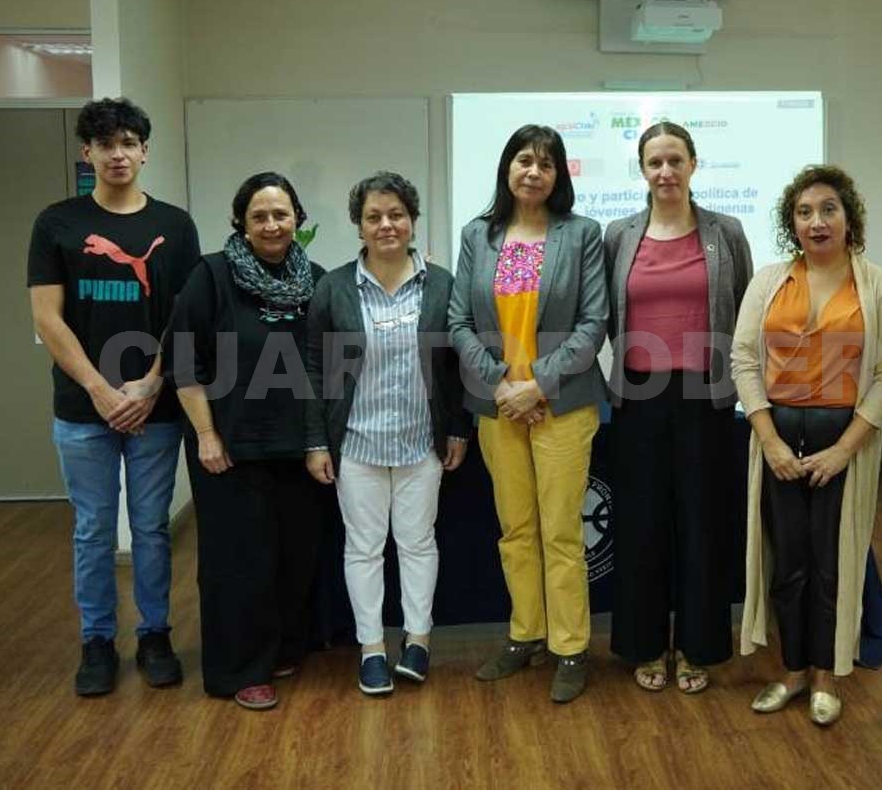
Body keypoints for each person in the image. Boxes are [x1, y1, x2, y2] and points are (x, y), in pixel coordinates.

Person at [28, 97, 201, 697]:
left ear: (144, 151)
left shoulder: (175, 225)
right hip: (84, 410)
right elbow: (48, 318)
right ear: (88, 152)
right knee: (93, 530)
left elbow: (183, 316)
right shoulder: (57, 223)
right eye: (106, 144)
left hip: (155, 408)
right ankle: (97, 641)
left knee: (151, 529)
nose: (118, 154)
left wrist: (152, 382)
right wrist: (101, 390)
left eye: (129, 143)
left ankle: (155, 635)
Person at [731, 164, 882, 725]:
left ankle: (827, 676)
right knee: (788, 563)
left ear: (849, 218)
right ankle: (792, 671)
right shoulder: (768, 282)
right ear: (792, 224)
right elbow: (743, 360)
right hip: (778, 439)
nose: (816, 221)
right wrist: (770, 441)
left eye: (828, 209)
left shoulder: (881, 287)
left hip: (844, 440)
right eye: (804, 212)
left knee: (834, 563)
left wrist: (844, 450)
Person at [448, 124, 608, 704]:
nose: (533, 172)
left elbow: (593, 323)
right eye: (523, 160)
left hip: (562, 404)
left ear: (558, 174)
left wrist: (537, 385)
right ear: (507, 168)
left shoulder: (581, 234)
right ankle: (526, 634)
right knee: (516, 530)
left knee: (561, 531)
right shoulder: (478, 234)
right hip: (499, 408)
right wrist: (503, 386)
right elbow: (459, 322)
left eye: (545, 163)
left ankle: (570, 647)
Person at [304, 171, 469, 696]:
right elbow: (313, 368)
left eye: (396, 214)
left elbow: (457, 366)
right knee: (363, 548)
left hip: (422, 441)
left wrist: (458, 428)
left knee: (418, 543)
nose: (386, 225)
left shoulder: (442, 284)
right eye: (373, 216)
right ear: (359, 226)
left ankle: (418, 640)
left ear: (413, 221)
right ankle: (372, 648)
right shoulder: (333, 287)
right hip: (356, 442)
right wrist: (316, 441)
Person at [167, 172, 327, 711]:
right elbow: (183, 360)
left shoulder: (316, 280)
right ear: (241, 222)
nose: (271, 224)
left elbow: (327, 363)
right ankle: (240, 670)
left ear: (298, 219)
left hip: (299, 448)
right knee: (238, 564)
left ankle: (281, 648)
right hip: (228, 449)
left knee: (293, 556)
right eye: (259, 216)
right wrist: (206, 434)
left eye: (281, 214)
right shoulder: (211, 276)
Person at [604, 121, 752, 694]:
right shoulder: (618, 234)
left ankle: (697, 647)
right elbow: (610, 314)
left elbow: (743, 310)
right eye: (654, 162)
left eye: (675, 160)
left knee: (702, 524)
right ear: (642, 170)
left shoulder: (726, 232)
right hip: (638, 396)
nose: (665, 171)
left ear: (693, 164)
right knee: (642, 526)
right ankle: (644, 645)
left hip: (704, 397)